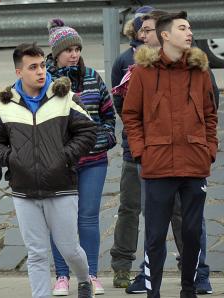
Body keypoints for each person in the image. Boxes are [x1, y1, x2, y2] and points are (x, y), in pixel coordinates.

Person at [112, 9, 218, 295]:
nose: (190, 32)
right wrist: (141, 152)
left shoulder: (200, 71)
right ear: (166, 35)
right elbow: (131, 114)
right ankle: (153, 292)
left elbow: (210, 114)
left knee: (193, 234)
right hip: (157, 167)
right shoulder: (144, 73)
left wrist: (209, 149)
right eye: (183, 28)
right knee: (155, 237)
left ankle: (189, 290)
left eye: (190, 27)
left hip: (195, 165)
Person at [0, 42, 97, 298]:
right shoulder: (6, 105)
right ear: (18, 72)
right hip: (24, 191)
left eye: (43, 66)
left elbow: (89, 131)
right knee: (36, 253)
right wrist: (13, 159)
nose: (40, 72)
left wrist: (64, 156)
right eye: (33, 67)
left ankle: (83, 278)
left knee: (69, 249)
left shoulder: (65, 98)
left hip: (61, 188)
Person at [44, 19, 116, 296]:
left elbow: (109, 114)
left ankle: (91, 275)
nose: (73, 54)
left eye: (77, 48)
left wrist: (104, 138)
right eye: (67, 50)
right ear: (55, 53)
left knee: (87, 218)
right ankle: (62, 275)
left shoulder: (92, 77)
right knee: (61, 221)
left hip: (94, 160)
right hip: (59, 163)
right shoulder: (45, 80)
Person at [109, 6, 154, 289]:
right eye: (145, 27)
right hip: (133, 149)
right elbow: (120, 105)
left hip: (165, 150)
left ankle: (188, 265)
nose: (150, 32)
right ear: (136, 31)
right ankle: (122, 266)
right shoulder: (124, 61)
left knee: (172, 210)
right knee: (129, 208)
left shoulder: (168, 58)